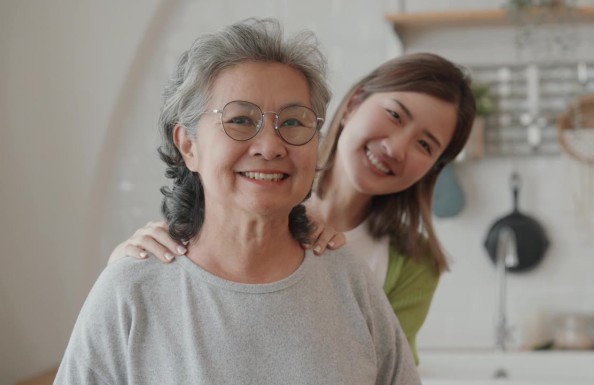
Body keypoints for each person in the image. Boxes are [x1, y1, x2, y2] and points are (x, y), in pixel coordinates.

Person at [55, 18, 420, 384]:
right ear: (188, 146)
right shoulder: (129, 292)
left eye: (293, 123)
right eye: (241, 120)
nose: (271, 147)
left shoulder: (350, 281)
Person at [110, 49, 476, 362]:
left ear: (434, 167)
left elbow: (377, 366)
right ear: (354, 103)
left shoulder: (414, 262)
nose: (396, 148)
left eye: (425, 145)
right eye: (395, 115)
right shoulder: (253, 193)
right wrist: (126, 270)